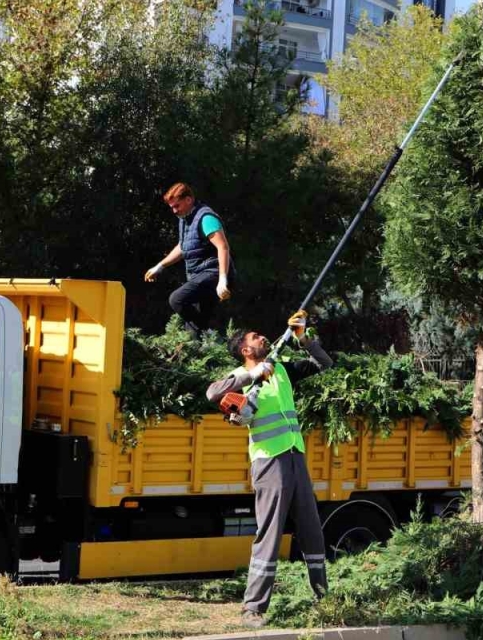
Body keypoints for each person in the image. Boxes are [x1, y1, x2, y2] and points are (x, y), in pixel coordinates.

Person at [205, 311, 331, 629]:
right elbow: (212, 393)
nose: (262, 338)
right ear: (246, 351)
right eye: (255, 338)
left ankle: (323, 599)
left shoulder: (283, 370)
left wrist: (302, 338)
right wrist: (255, 374)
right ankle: (253, 609)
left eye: (262, 336)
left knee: (312, 532)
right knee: (270, 535)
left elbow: (324, 364)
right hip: (269, 462)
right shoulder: (240, 376)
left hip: (294, 457)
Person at [144, 183, 235, 337]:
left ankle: (207, 334)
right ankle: (208, 339)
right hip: (198, 276)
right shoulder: (185, 219)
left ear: (189, 200)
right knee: (193, 331)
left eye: (177, 206)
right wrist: (160, 266)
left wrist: (222, 279)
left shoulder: (206, 218)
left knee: (176, 299)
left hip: (213, 273)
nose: (174, 210)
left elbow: (223, 247)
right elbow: (183, 246)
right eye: (172, 207)